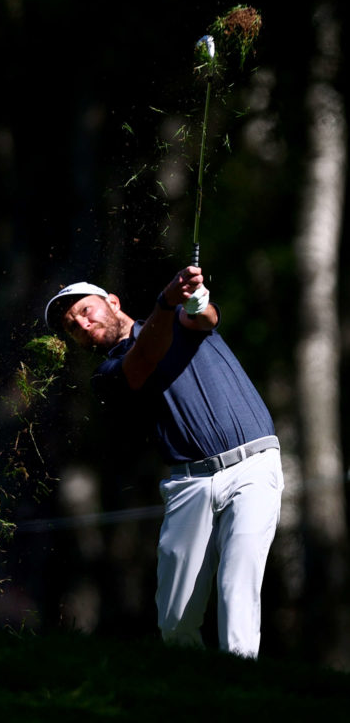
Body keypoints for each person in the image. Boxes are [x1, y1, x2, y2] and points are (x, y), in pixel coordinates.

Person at [44, 265, 284, 658]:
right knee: (175, 618)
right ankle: (190, 695)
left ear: (112, 301)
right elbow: (144, 359)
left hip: (254, 466)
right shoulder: (107, 376)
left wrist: (194, 296)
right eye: (72, 327)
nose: (83, 325)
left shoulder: (180, 319)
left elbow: (204, 316)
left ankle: (240, 691)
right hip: (189, 484)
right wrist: (167, 301)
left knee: (236, 584)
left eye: (85, 311)